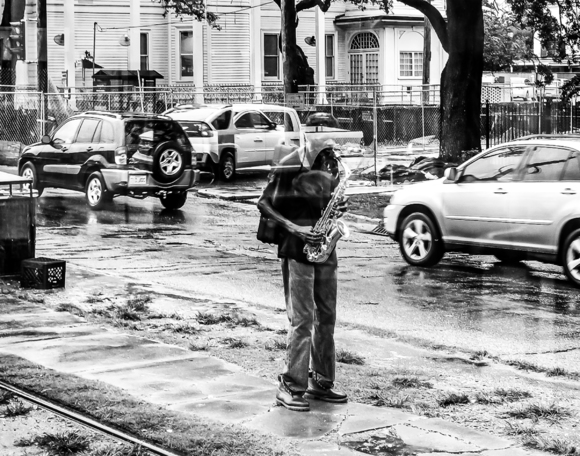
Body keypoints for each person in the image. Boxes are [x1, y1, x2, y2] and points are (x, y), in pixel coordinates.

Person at [257, 143, 348, 412]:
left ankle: (321, 381)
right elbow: (263, 203)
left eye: (333, 161)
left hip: (324, 250)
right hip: (297, 248)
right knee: (303, 318)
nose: (332, 166)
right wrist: (297, 229)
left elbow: (329, 205)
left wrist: (338, 207)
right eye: (327, 160)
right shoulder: (289, 167)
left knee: (327, 315)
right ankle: (290, 386)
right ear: (314, 155)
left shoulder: (329, 172)